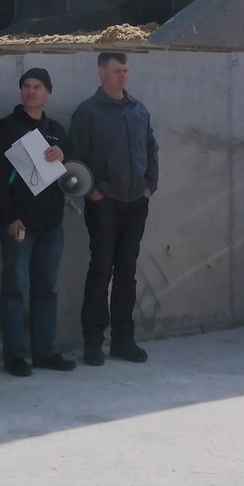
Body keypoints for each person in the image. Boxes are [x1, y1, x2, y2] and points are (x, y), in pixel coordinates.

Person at [70, 52, 158, 367]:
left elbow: (151, 149)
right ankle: (93, 343)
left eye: (126, 71)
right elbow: (75, 158)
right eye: (117, 70)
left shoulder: (139, 110)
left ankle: (123, 340)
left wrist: (150, 187)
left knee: (127, 273)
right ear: (101, 73)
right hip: (104, 204)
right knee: (100, 271)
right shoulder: (88, 112)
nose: (123, 76)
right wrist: (93, 193)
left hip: (136, 203)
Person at [0, 68, 76, 377]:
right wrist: (8, 218)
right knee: (14, 287)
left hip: (51, 223)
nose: (30, 91)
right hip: (19, 223)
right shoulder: (6, 127)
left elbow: (73, 172)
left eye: (37, 86)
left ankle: (45, 352)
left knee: (46, 287)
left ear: (47, 92)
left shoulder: (57, 130)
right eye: (25, 85)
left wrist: (65, 154)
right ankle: (14, 356)